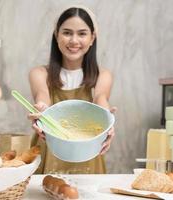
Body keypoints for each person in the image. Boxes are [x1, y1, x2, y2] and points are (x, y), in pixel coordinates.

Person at [28, 5, 116, 174]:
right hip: (49, 153)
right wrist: (40, 110)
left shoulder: (102, 75)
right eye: (67, 32)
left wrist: (107, 120)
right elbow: (42, 97)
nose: (74, 40)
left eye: (82, 33)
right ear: (56, 35)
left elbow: (100, 98)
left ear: (92, 38)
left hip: (88, 157)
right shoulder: (39, 74)